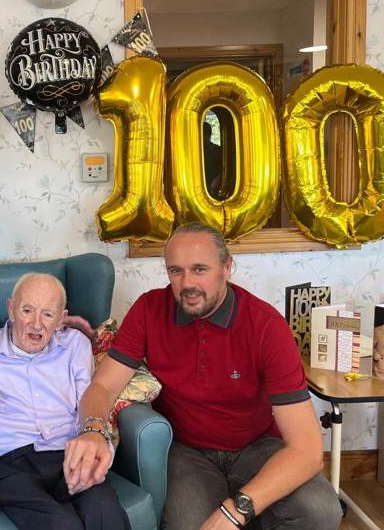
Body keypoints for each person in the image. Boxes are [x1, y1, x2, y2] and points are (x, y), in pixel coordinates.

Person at [64, 223, 342, 530]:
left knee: (321, 510)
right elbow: (103, 386)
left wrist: (235, 511)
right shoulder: (148, 309)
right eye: (175, 271)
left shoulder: (266, 326)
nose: (187, 284)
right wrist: (92, 429)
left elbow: (308, 451)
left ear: (227, 267)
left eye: (200, 269)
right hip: (186, 451)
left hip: (257, 446)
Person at [0, 273, 129, 530]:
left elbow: (89, 405)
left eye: (47, 314)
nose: (36, 324)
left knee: (105, 510)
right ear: (10, 309)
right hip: (2, 462)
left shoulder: (74, 346)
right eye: (27, 310)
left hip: (66, 453)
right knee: (61, 524)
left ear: (60, 319)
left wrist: (97, 455)